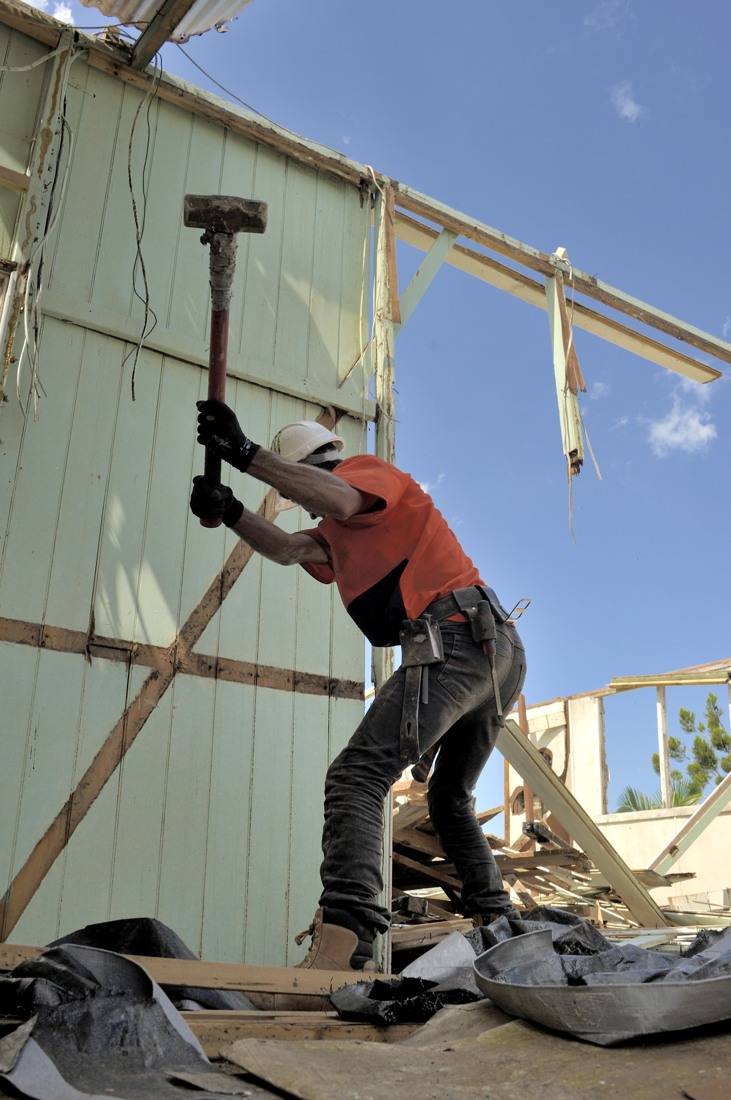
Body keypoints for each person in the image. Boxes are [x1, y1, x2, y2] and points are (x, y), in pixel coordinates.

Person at [191, 399, 526, 974]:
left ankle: (345, 937)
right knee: (449, 800)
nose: (299, 502)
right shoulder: (337, 534)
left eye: (298, 489)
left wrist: (244, 454)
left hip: (457, 636)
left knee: (357, 773)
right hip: (494, 650)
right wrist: (234, 512)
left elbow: (339, 499)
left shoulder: (362, 476)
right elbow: (291, 549)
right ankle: (501, 928)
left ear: (315, 467)